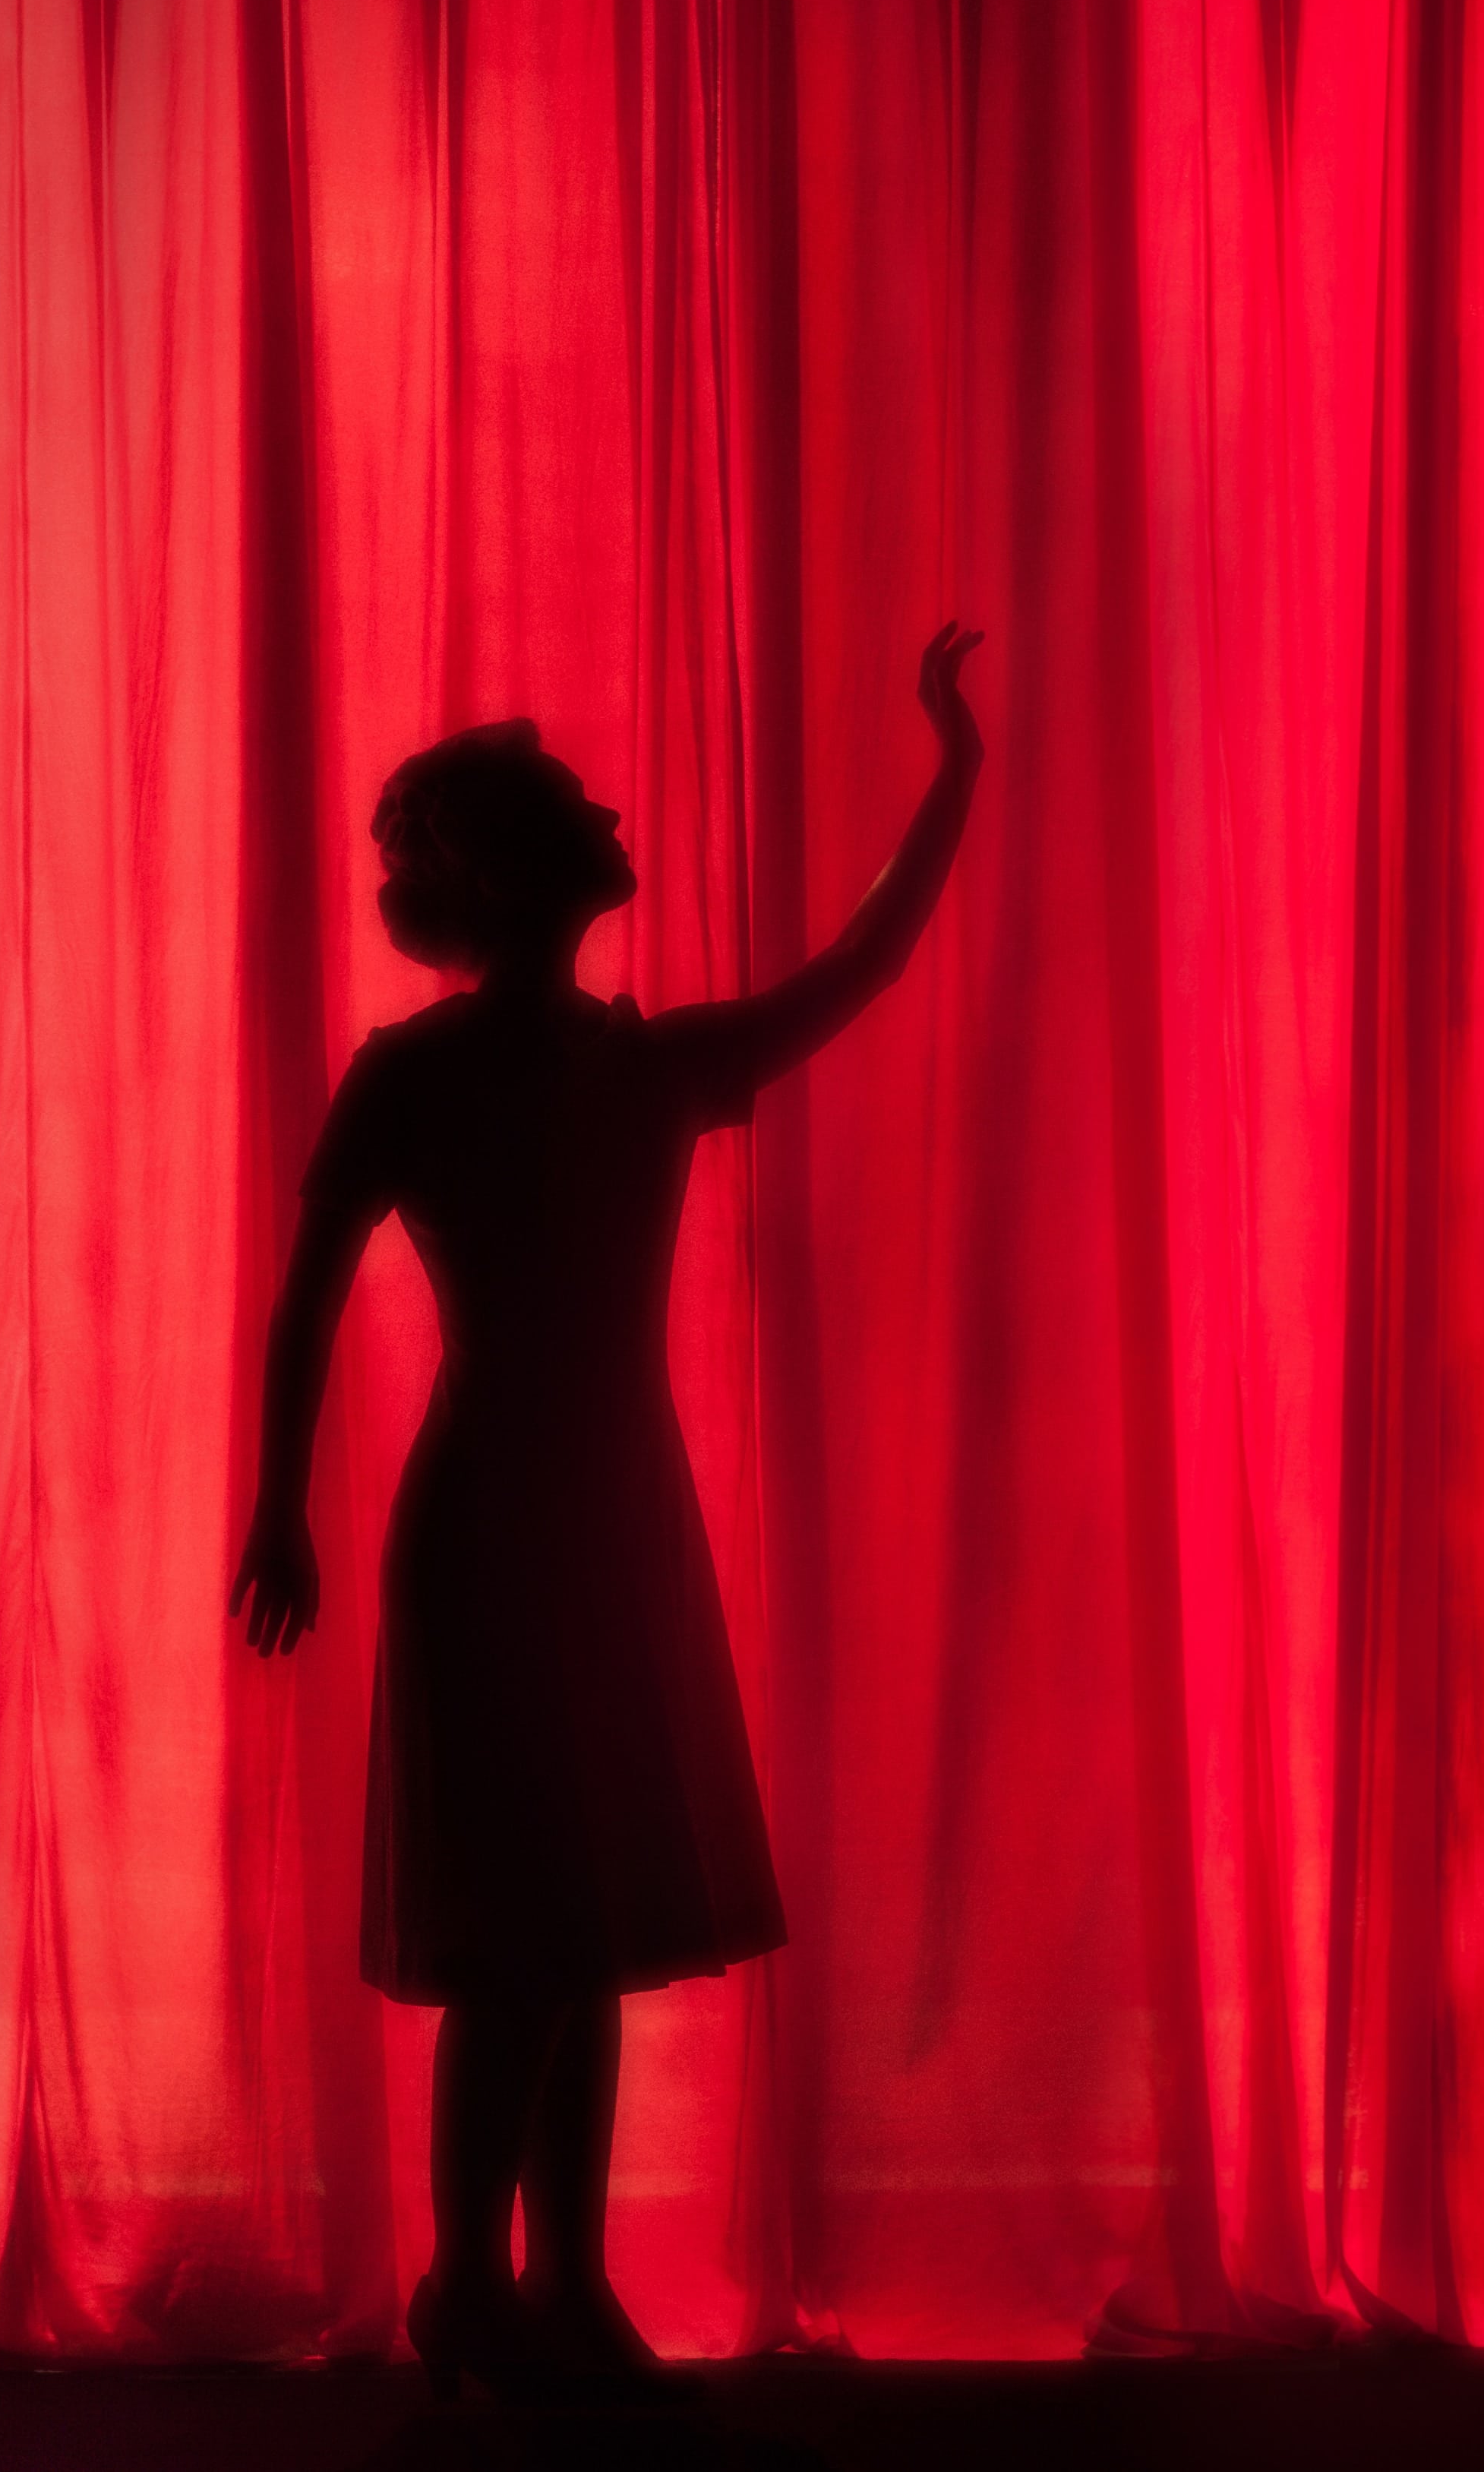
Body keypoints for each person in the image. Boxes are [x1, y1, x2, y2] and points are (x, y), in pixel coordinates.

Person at [232, 626, 988, 2401]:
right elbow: (306, 1297)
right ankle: (469, 2291)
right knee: (521, 1935)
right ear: (500, 869)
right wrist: (276, 1508)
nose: (606, 808)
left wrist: (953, 766)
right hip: (496, 1521)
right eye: (569, 803)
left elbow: (866, 965)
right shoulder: (419, 1075)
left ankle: (556, 2285)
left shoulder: (639, 1061)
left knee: (577, 1937)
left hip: (608, 1517)